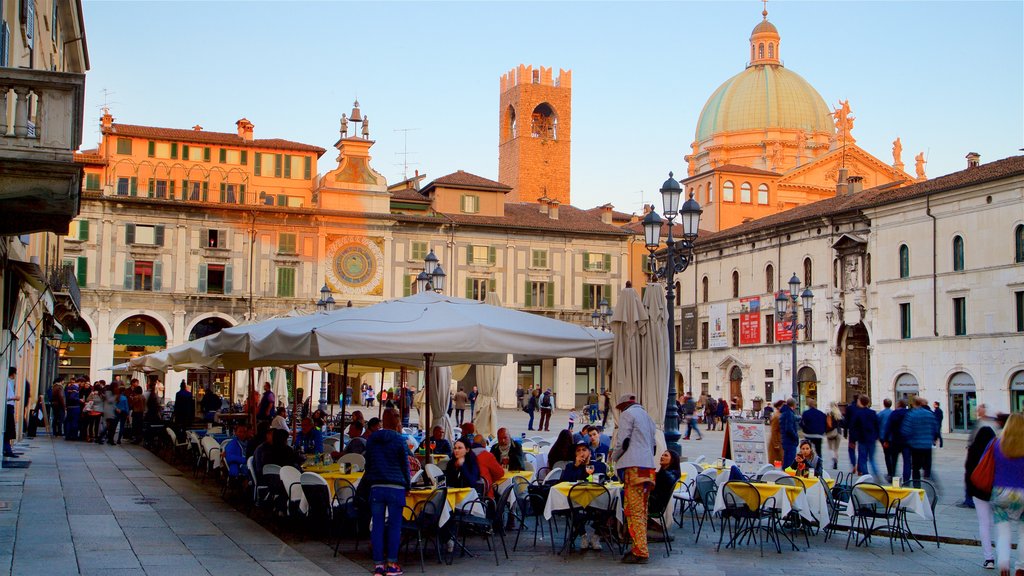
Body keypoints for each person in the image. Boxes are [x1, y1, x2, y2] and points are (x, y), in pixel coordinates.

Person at [610, 393, 657, 564]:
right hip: (648, 468)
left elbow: (623, 442)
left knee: (633, 511)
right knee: (642, 510)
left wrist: (613, 457)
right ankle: (639, 546)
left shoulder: (627, 415)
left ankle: (640, 551)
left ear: (622, 407)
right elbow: (653, 445)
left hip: (634, 468)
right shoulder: (647, 417)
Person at [365, 408, 411, 576]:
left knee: (377, 525)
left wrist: (372, 478)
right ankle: (392, 564)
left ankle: (378, 565)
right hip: (396, 486)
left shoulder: (372, 439)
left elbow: (367, 463)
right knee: (394, 526)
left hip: (376, 486)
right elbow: (405, 465)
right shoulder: (399, 440)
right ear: (397, 421)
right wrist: (408, 485)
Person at [966, 407, 1004, 569]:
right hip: (995, 491)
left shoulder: (973, 450)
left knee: (984, 524)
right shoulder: (997, 448)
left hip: (979, 491)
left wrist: (970, 491)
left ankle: (989, 558)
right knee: (1000, 525)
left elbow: (968, 471)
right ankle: (1003, 557)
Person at [990, 413, 1024, 576]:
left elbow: (987, 465)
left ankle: (1004, 566)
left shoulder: (996, 444)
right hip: (1023, 492)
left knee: (1003, 532)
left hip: (1001, 491)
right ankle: (1020, 568)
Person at [901, 397, 938, 482]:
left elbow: (905, 430)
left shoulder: (911, 414)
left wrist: (909, 441)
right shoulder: (929, 414)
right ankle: (929, 484)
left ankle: (917, 486)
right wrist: (933, 438)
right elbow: (935, 428)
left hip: (916, 445)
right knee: (927, 467)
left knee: (916, 468)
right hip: (927, 445)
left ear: (913, 404)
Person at [849, 395, 881, 479]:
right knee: (872, 458)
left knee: (863, 458)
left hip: (862, 439)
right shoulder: (872, 412)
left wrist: (852, 440)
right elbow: (877, 425)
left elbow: (853, 427)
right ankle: (876, 474)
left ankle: (866, 476)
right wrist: (877, 436)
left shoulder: (858, 413)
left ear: (860, 402)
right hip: (871, 439)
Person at [886, 399, 912, 481]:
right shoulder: (909, 413)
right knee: (907, 461)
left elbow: (888, 427)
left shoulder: (894, 413)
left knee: (894, 460)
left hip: (895, 440)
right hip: (907, 441)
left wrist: (886, 439)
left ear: (898, 405)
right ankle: (906, 479)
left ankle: (893, 476)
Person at [5, 367, 21, 457]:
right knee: (8, 430)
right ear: (12, 374)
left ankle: (8, 449)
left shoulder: (9, 383)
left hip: (9, 407)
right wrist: (14, 398)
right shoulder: (6, 382)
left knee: (9, 431)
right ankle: (8, 450)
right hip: (8, 407)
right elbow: (6, 397)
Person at [779, 398, 800, 467]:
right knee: (790, 462)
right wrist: (796, 437)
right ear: (793, 405)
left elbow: (794, 418)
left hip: (785, 440)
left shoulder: (785, 412)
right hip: (790, 441)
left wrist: (801, 418)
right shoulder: (789, 413)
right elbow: (789, 428)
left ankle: (785, 474)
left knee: (786, 460)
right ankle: (788, 476)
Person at [825, 402, 843, 469]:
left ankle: (833, 458)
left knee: (830, 448)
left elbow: (828, 424)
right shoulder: (839, 413)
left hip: (831, 432)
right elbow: (842, 423)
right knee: (836, 449)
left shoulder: (829, 413)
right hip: (838, 432)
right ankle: (836, 460)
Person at [767, 400, 784, 465]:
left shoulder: (780, 415)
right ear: (779, 407)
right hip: (777, 442)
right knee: (776, 460)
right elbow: (774, 431)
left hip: (780, 441)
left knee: (779, 460)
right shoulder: (777, 416)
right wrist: (776, 444)